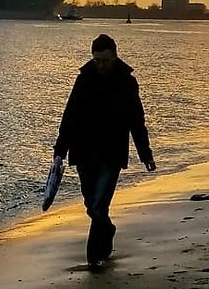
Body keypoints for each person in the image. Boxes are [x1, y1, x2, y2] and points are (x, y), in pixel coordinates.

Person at [53, 34, 156, 268]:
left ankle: (94, 256)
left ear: (115, 57)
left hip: (111, 153)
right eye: (96, 60)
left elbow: (136, 121)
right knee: (91, 204)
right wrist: (59, 151)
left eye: (105, 60)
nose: (100, 65)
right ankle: (108, 229)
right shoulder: (83, 79)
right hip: (83, 151)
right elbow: (70, 116)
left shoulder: (127, 82)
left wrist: (145, 154)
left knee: (100, 204)